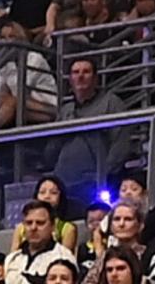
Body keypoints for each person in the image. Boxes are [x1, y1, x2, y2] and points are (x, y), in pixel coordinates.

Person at [52, 57, 130, 210]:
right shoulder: (65, 110)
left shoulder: (111, 103)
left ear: (96, 79)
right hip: (64, 184)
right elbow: (52, 148)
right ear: (70, 79)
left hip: (94, 185)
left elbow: (121, 145)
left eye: (86, 72)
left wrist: (103, 177)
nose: (80, 76)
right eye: (76, 72)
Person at [4, 201, 77, 284]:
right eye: (29, 223)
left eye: (40, 223)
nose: (33, 228)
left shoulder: (64, 257)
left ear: (52, 226)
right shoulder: (12, 259)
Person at [81, 202, 145, 284]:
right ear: (110, 225)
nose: (121, 224)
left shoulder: (148, 254)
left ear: (140, 225)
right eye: (117, 219)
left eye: (128, 219)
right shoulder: (104, 256)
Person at [11, 178, 79, 251]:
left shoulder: (67, 229)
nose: (47, 196)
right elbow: (13, 257)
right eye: (42, 192)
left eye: (53, 193)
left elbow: (65, 258)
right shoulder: (20, 228)